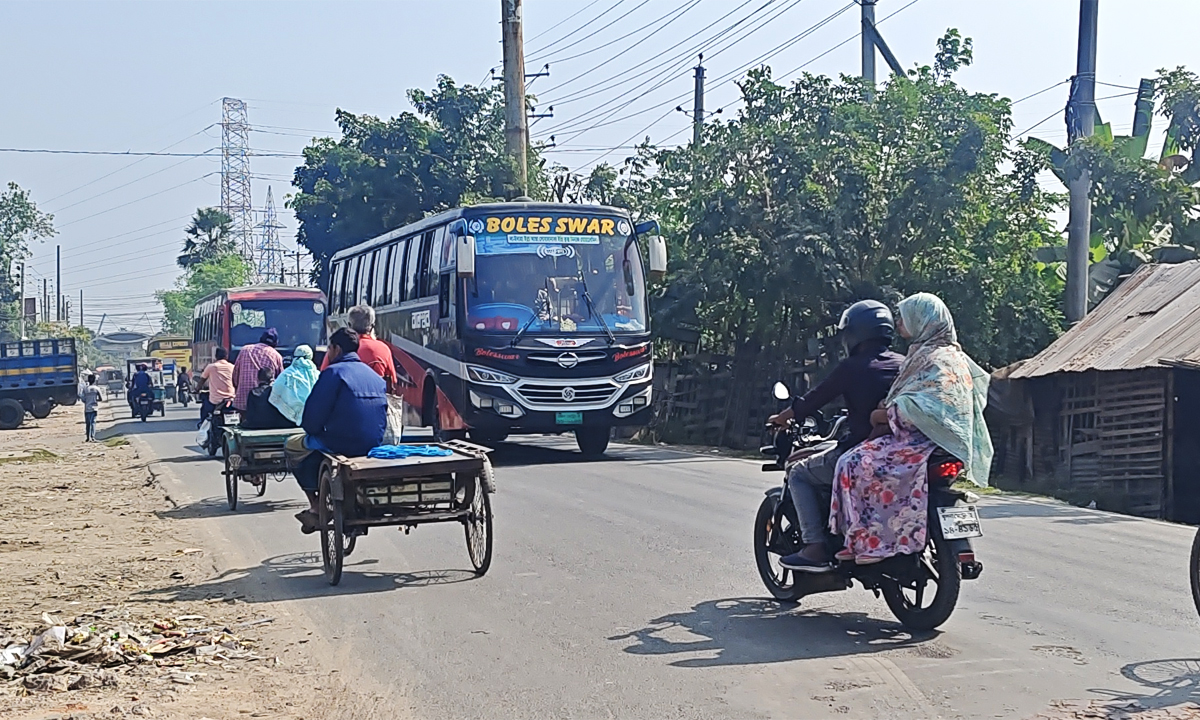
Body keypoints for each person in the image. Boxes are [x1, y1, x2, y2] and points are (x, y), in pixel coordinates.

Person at [829, 293, 993, 565]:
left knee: (852, 462)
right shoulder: (951, 356)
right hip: (940, 443)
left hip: (918, 441)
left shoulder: (933, 358)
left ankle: (868, 541)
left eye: (905, 317)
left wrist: (883, 414)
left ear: (923, 320)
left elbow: (922, 408)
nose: (899, 322)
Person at [766, 300, 904, 573]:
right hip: (902, 453)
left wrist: (783, 417)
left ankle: (814, 546)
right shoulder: (905, 364)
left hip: (863, 452)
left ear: (855, 334)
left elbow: (814, 399)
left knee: (799, 473)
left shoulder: (853, 367)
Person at [290, 328, 387, 533]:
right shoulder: (374, 376)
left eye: (329, 349)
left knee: (292, 446)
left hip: (338, 442)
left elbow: (312, 419)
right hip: (373, 443)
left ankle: (315, 505)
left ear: (337, 349)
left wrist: (313, 429)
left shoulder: (333, 373)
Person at [320, 304, 396, 391]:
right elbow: (392, 382)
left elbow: (324, 377)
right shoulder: (384, 349)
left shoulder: (338, 348)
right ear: (372, 327)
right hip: (377, 400)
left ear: (349, 325)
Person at [232, 329, 284, 411]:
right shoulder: (276, 356)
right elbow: (280, 383)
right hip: (265, 405)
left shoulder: (245, 350)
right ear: (275, 343)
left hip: (242, 402)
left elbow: (235, 377)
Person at [269, 344, 320, 425]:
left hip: (286, 421)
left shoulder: (286, 374)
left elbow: (274, 396)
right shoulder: (317, 375)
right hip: (312, 421)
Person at [196, 348, 236, 423]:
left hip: (215, 401)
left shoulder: (211, 367)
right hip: (231, 398)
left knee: (204, 409)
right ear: (226, 356)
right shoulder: (232, 367)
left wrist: (196, 389)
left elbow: (202, 380)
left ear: (216, 356)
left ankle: (202, 424)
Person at [82, 374, 102, 442]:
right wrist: (95, 400)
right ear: (94, 380)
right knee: (93, 422)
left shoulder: (85, 389)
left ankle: (88, 437)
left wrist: (87, 401)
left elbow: (83, 399)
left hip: (87, 408)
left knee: (88, 423)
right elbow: (100, 398)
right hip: (94, 407)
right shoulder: (97, 388)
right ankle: (92, 437)